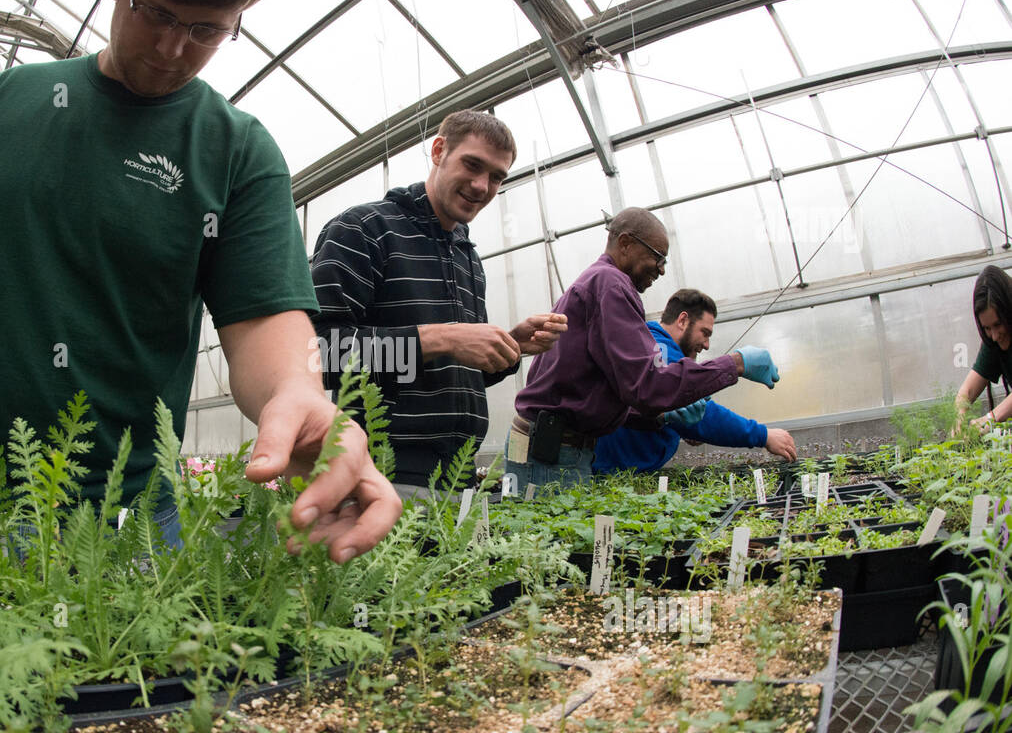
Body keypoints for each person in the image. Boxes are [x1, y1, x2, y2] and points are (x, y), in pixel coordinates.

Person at [0, 0, 401, 562]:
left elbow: (263, 322)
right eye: (155, 12)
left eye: (207, 29)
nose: (172, 46)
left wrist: (297, 392)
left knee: (122, 665)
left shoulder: (236, 150)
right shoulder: (8, 101)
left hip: (128, 513)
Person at [308, 110, 566, 494]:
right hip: (377, 475)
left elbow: (454, 365)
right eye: (473, 165)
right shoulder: (364, 230)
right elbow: (319, 354)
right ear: (439, 150)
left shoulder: (467, 256)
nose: (482, 186)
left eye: (497, 176)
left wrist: (511, 345)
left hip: (458, 477)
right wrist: (443, 338)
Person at [507, 207, 781, 488]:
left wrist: (659, 418)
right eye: (657, 257)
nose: (661, 269)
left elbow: (597, 390)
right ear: (625, 244)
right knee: (548, 531)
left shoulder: (598, 282)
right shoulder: (611, 284)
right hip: (552, 450)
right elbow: (648, 386)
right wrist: (736, 363)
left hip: (551, 445)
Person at [592, 288, 797, 473]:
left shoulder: (658, 347)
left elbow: (657, 406)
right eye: (704, 333)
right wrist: (763, 435)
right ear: (682, 321)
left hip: (622, 471)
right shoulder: (659, 349)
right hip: (611, 472)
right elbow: (704, 413)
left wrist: (678, 425)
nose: (707, 345)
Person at [955, 264, 1012, 431]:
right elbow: (969, 388)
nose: (994, 336)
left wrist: (990, 419)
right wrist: (957, 417)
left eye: (998, 324)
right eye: (987, 328)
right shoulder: (994, 341)